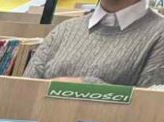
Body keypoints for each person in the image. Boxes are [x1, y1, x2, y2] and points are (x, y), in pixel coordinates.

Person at [25, 0, 164, 88]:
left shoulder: (159, 33)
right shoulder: (64, 29)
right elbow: (25, 89)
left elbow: (148, 105)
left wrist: (85, 85)